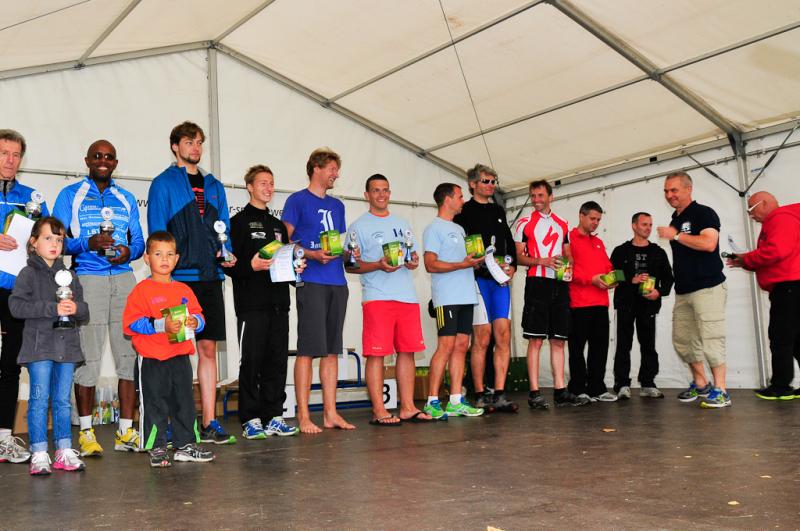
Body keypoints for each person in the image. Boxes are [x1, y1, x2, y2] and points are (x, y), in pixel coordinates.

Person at [53, 140, 145, 457]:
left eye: (108, 157)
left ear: (115, 162)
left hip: (123, 279)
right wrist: (86, 243)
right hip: (88, 278)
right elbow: (57, 240)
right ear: (87, 160)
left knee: (128, 356)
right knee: (88, 359)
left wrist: (127, 252)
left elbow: (139, 242)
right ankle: (86, 433)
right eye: (97, 156)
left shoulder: (126, 197)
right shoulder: (70, 195)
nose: (103, 161)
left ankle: (126, 431)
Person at [147, 121, 237, 443]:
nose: (195, 147)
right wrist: (164, 275)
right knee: (176, 352)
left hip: (210, 278)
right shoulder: (163, 184)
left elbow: (224, 228)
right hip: (179, 282)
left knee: (208, 348)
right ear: (176, 146)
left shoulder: (215, 185)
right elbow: (157, 233)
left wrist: (227, 254)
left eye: (199, 142)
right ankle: (178, 423)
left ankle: (210, 421)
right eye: (189, 142)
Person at [346, 174, 432, 425]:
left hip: (407, 297)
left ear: (390, 193)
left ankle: (407, 407)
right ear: (367, 195)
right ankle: (379, 411)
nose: (381, 195)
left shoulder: (402, 223)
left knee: (408, 352)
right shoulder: (358, 227)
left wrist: (413, 261)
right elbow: (350, 265)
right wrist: (377, 265)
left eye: (385, 190)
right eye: (375, 190)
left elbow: (412, 255)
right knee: (376, 355)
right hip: (377, 298)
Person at [123, 231, 214, 467]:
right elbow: (131, 324)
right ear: (147, 258)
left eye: (170, 254)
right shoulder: (141, 290)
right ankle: (157, 447)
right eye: (158, 254)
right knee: (154, 404)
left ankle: (185, 446)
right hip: (152, 359)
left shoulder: (184, 290)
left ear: (177, 258)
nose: (164, 259)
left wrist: (195, 322)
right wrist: (160, 325)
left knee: (185, 403)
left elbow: (199, 315)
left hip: (180, 357)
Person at [281, 148, 355, 434]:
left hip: (337, 282)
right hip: (311, 281)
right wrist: (310, 254)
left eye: (337, 169)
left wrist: (350, 254)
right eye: (332, 169)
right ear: (316, 168)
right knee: (308, 351)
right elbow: (284, 242)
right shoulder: (297, 200)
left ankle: (330, 413)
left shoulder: (338, 206)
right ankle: (303, 416)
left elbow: (337, 244)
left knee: (332, 351)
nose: (336, 174)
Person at [225, 165, 301, 438]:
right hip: (252, 305)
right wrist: (251, 265)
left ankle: (274, 416)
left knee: (277, 362)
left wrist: (296, 269)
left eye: (271, 183)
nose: (268, 188)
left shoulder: (278, 225)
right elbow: (227, 264)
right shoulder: (237, 223)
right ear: (249, 187)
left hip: (280, 304)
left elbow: (284, 265)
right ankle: (250, 418)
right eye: (262, 183)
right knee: (252, 362)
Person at [9, 217, 89, 475]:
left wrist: (75, 308)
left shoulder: (70, 275)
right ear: (34, 243)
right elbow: (16, 306)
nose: (54, 244)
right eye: (48, 238)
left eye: (59, 239)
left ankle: (64, 450)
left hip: (67, 348)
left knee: (63, 401)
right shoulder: (28, 273)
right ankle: (39, 451)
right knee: (39, 399)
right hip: (39, 347)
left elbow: (85, 311)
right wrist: (52, 308)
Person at [657, 171, 729, 408]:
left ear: (688, 189)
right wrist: (675, 232)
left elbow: (709, 243)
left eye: (674, 190)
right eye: (666, 191)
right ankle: (701, 383)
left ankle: (721, 390)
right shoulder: (675, 219)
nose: (669, 195)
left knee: (711, 338)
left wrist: (676, 235)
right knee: (683, 340)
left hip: (708, 287)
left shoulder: (703, 213)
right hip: (683, 291)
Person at [514, 180, 588, 408]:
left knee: (558, 340)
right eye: (533, 196)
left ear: (550, 197)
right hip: (537, 283)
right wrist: (541, 261)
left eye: (540, 195)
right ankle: (534, 392)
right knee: (535, 339)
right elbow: (517, 256)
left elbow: (568, 253)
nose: (536, 200)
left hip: (559, 284)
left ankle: (560, 390)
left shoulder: (563, 223)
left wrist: (569, 265)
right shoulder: (524, 223)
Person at [0, 129, 49, 465]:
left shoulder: (33, 198)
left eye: (16, 155)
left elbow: (50, 239)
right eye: (4, 153)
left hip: (17, 293)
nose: (10, 160)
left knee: (11, 365)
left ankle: (4, 436)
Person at [453, 164, 518, 413]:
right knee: (482, 336)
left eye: (493, 181)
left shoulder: (498, 209)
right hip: (477, 279)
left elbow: (508, 242)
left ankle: (499, 393)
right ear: (473, 184)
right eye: (486, 181)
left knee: (503, 334)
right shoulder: (463, 212)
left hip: (499, 281)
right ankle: (479, 393)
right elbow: (458, 247)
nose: (491, 186)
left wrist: (512, 266)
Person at [727, 191, 800, 400]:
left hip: (788, 286)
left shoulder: (779, 218)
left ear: (765, 203)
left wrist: (747, 258)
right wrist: (746, 261)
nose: (750, 215)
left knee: (780, 337)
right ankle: (782, 384)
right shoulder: (786, 218)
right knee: (795, 339)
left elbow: (776, 251)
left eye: (751, 209)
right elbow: (775, 255)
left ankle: (780, 386)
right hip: (792, 285)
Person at [422, 183, 485, 420]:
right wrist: (462, 264)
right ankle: (432, 401)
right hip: (446, 298)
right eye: (460, 196)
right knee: (446, 346)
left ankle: (456, 400)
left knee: (461, 346)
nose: (463, 201)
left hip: (466, 295)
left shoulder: (459, 229)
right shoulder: (433, 228)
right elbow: (430, 264)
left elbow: (463, 262)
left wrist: (474, 262)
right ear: (447, 199)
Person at [610, 212, 674, 399]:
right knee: (623, 345)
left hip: (648, 306)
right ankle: (622, 384)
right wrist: (631, 279)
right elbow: (611, 276)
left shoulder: (658, 252)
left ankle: (648, 383)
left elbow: (668, 278)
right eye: (644, 224)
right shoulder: (620, 251)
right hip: (625, 304)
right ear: (634, 226)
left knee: (648, 345)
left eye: (650, 224)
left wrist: (658, 292)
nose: (648, 228)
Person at [567, 201, 617, 402]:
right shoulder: (569, 238)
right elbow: (567, 270)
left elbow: (608, 267)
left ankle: (597, 387)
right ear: (581, 215)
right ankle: (578, 388)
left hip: (600, 303)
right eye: (592, 218)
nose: (595, 223)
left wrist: (613, 279)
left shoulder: (598, 242)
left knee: (599, 348)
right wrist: (591, 279)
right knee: (577, 349)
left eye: (598, 219)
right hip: (578, 303)